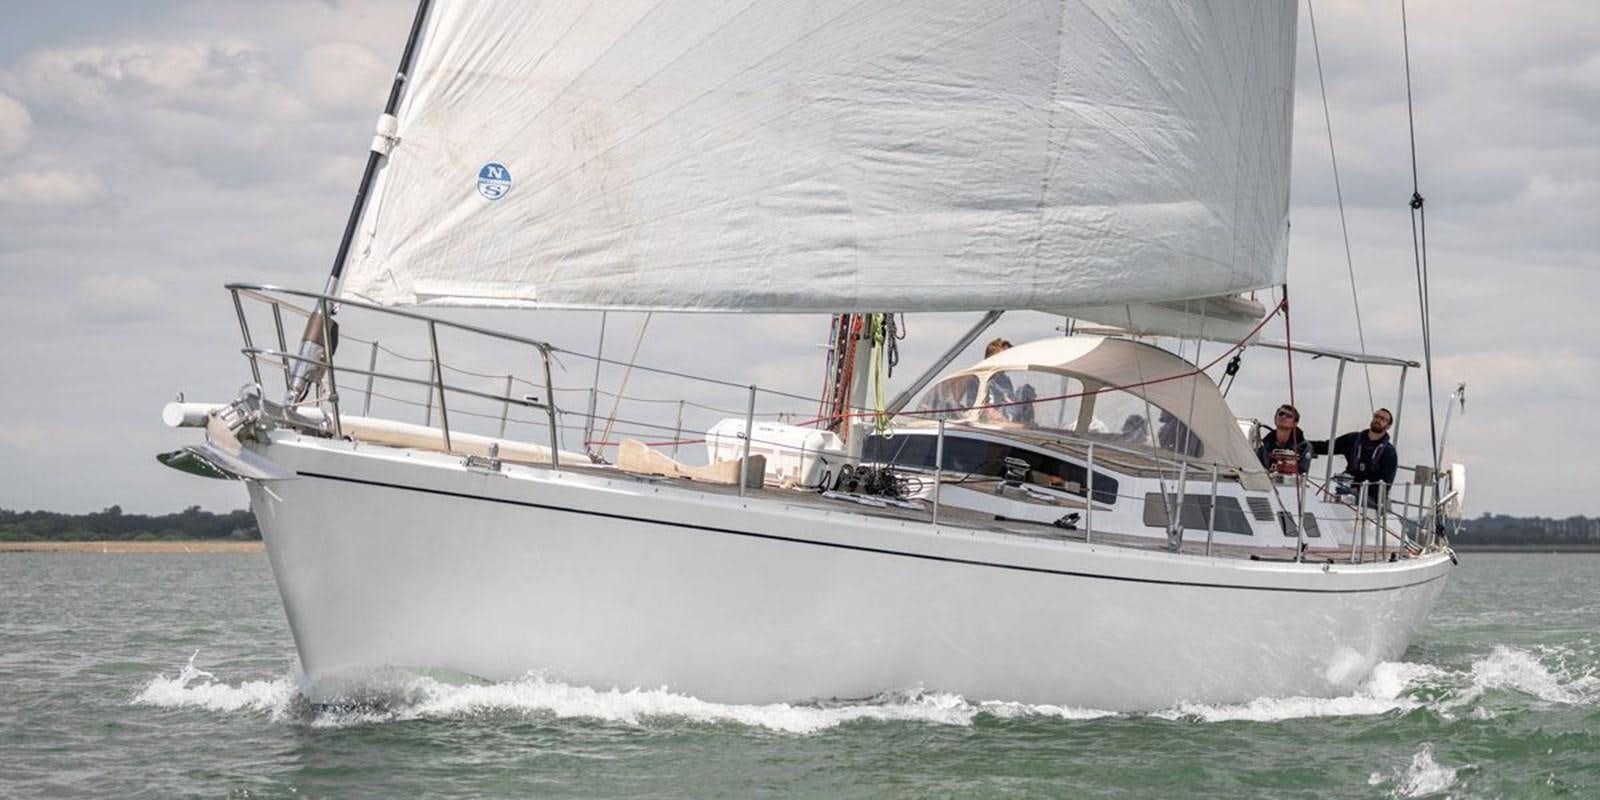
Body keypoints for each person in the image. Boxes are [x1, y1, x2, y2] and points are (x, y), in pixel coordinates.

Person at [1328, 408, 1398, 504]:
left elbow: (1385, 484)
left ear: (1388, 426)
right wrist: (1302, 442)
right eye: (1376, 417)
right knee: (1334, 499)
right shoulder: (1353, 439)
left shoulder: (1389, 452)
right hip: (1348, 491)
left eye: (1383, 419)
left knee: (1348, 500)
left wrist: (1359, 492)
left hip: (1371, 500)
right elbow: (1328, 446)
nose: (1378, 420)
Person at [1257, 403, 1312, 477]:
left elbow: (1302, 474)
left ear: (1295, 423)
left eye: (1289, 416)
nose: (1283, 417)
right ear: (1275, 418)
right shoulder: (1264, 446)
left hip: (1292, 486)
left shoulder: (1304, 447)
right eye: (1281, 414)